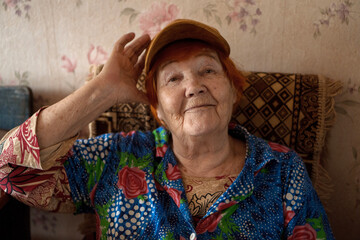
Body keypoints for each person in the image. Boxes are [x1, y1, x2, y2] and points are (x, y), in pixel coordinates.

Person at [0, 19, 334, 239]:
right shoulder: (116, 157)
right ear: (156, 106)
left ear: (233, 90)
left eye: (208, 70)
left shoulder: (281, 169)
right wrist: (101, 91)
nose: (194, 86)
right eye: (173, 78)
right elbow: (9, 170)